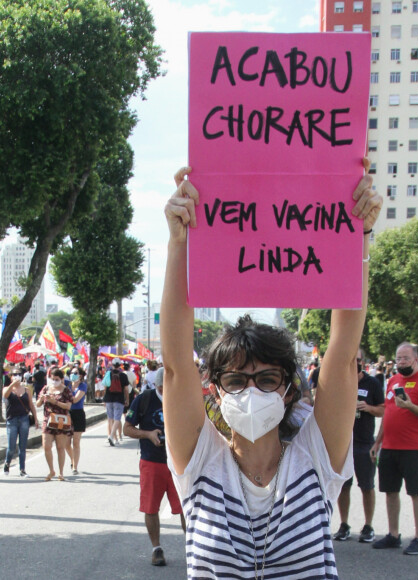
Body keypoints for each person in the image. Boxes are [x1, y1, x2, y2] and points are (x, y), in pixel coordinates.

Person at [160, 161, 382, 578]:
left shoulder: (316, 458)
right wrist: (179, 243)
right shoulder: (199, 459)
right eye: (235, 380)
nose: (250, 391)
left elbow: (343, 354)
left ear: (289, 390)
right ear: (215, 390)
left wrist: (359, 237)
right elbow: (174, 367)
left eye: (266, 379)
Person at [370, 342, 418, 555]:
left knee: (416, 492)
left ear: (415, 359)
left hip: (413, 447)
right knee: (390, 492)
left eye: (405, 358)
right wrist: (377, 442)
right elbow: (388, 413)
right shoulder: (393, 381)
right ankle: (393, 534)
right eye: (398, 358)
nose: (401, 362)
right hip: (389, 446)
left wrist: (410, 406)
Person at [123, 365, 185, 566]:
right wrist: (148, 434)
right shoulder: (145, 399)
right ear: (156, 386)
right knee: (151, 507)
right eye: (161, 390)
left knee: (186, 507)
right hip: (152, 461)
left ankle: (194, 546)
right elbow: (127, 429)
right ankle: (156, 548)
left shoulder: (182, 397)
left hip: (180, 462)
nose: (165, 393)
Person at [333, 348, 385, 543]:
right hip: (342, 444)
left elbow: (382, 410)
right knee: (343, 486)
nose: (355, 363)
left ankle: (368, 525)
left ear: (363, 362)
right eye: (351, 360)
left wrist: (368, 407)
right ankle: (344, 524)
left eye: (358, 360)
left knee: (366, 486)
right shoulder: (339, 382)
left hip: (363, 443)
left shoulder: (372, 383)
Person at [37, 368, 73, 481]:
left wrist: (55, 402)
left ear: (61, 379)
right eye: (52, 379)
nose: (54, 381)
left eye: (56, 379)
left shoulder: (66, 390)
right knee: (46, 445)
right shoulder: (46, 388)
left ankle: (61, 472)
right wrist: (42, 399)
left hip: (61, 421)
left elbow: (68, 406)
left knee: (60, 447)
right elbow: (38, 404)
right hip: (48, 420)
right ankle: (51, 470)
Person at [2, 367, 39, 477]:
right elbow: (5, 395)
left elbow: (31, 405)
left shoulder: (27, 390)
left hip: (24, 419)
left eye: (18, 374)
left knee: (22, 447)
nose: (16, 376)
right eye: (14, 374)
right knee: (11, 447)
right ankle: (7, 462)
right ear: (11, 376)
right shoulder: (7, 389)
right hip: (11, 420)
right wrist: (12, 384)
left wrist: (36, 419)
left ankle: (22, 469)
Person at [103, 358, 129, 446]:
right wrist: (127, 399)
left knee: (110, 419)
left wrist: (104, 399)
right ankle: (112, 437)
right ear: (120, 365)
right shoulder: (123, 376)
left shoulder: (108, 374)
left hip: (109, 399)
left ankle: (113, 437)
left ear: (112, 365)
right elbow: (126, 389)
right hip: (119, 399)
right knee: (117, 419)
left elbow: (105, 387)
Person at [66, 367, 87, 475]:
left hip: (78, 414)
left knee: (76, 442)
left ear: (80, 375)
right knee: (66, 443)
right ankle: (72, 459)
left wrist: (65, 396)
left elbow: (75, 400)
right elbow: (52, 376)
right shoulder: (67, 384)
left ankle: (75, 466)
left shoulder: (83, 386)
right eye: (71, 372)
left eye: (75, 373)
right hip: (67, 414)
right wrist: (65, 366)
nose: (72, 374)